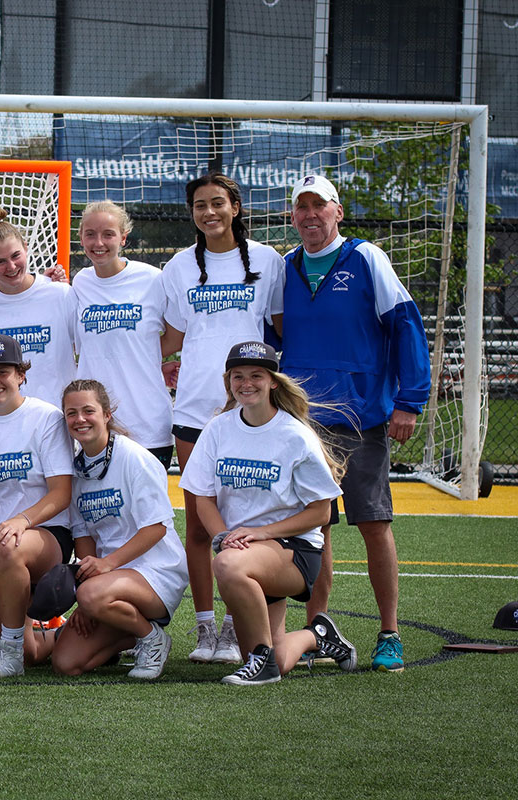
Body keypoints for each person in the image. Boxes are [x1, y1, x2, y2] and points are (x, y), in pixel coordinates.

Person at [282, 174, 431, 672]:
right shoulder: (286, 267)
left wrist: (410, 400)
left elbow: (406, 324)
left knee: (373, 524)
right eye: (301, 207)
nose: (310, 215)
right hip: (304, 424)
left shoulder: (366, 258)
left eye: (319, 206)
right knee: (315, 528)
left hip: (361, 418)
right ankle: (316, 632)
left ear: (337, 211)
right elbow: (268, 336)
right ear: (292, 216)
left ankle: (389, 633)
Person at [158, 173, 284, 665]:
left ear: (236, 207)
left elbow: (281, 332)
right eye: (199, 205)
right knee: (198, 525)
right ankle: (206, 628)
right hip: (194, 410)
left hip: (250, 411)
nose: (208, 212)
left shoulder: (269, 261)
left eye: (217, 203)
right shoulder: (179, 266)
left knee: (242, 522)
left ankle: (235, 629)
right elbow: (172, 338)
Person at [180, 341, 357, 685]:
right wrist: (223, 538)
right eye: (238, 376)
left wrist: (262, 533)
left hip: (294, 551)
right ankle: (317, 635)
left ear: (274, 381)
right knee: (277, 655)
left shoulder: (295, 435)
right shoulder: (218, 429)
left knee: (227, 566)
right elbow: (203, 499)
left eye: (256, 376)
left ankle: (262, 664)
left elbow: (321, 513)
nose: (246, 383)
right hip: (245, 551)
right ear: (228, 381)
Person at [50, 379, 188, 680]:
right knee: (66, 663)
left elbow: (156, 528)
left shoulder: (135, 458)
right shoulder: (76, 470)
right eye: (71, 413)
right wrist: (89, 584)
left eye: (88, 411)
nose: (80, 419)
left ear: (106, 414)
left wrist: (103, 571)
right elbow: (83, 535)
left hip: (156, 572)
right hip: (107, 583)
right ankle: (129, 632)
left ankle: (152, 638)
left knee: (91, 595)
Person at [0, 333, 75, 678]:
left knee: (10, 546)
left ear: (21, 374)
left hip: (43, 536)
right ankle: (65, 635)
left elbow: (61, 493)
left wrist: (21, 521)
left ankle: (8, 652)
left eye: (3, 372)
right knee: (31, 653)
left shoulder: (46, 417)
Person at [69, 201, 174, 467]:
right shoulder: (80, 282)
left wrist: (146, 357)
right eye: (90, 234)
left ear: (123, 238)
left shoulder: (152, 279)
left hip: (146, 421)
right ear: (80, 238)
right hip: (95, 423)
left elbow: (177, 334)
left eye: (108, 234)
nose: (99, 242)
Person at [0, 201, 76, 411]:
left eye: (16, 256)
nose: (11, 267)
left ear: (26, 248)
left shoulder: (59, 294)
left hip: (53, 418)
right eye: (0, 261)